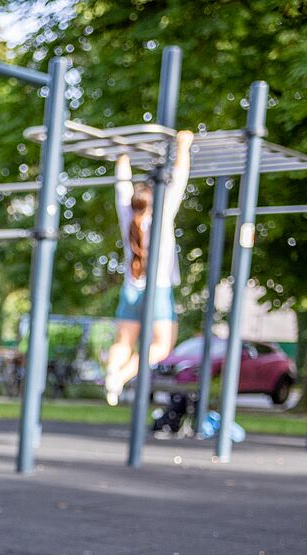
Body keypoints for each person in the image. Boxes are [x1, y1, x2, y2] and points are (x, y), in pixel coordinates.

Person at [102, 130, 193, 406]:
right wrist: (183, 146)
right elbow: (179, 179)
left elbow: (122, 184)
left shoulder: (128, 218)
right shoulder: (161, 217)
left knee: (124, 340)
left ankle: (111, 372)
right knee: (162, 345)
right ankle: (121, 376)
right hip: (158, 287)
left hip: (131, 286)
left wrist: (123, 154)